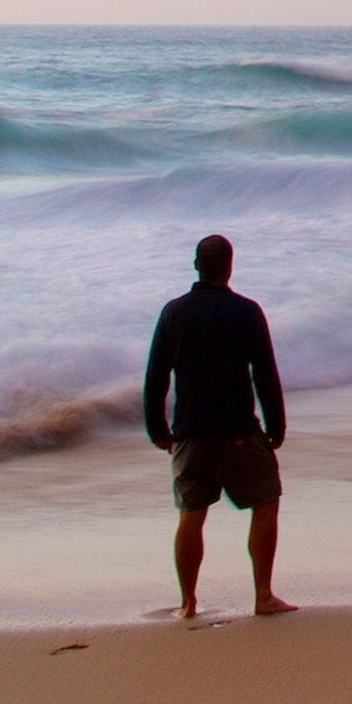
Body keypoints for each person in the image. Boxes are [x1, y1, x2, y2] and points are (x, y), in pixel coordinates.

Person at [142, 232, 294, 618]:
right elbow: (265, 374)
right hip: (239, 434)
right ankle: (263, 595)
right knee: (265, 500)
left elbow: (156, 377)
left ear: (196, 265)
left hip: (191, 436)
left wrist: (158, 430)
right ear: (230, 267)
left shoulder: (173, 313)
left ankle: (187, 603)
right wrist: (276, 425)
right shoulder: (246, 311)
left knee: (191, 514)